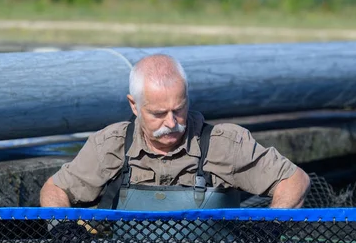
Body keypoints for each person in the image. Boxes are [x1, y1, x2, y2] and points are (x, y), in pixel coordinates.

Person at [40, 54, 310, 211]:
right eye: (158, 114)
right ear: (134, 105)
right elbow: (54, 190)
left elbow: (294, 180)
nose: (171, 122)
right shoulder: (109, 145)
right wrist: (66, 231)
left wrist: (271, 228)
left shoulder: (225, 144)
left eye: (178, 110)